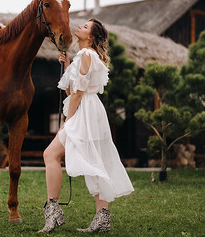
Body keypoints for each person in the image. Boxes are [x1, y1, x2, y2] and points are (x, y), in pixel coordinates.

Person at [38, 18, 134, 233]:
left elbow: (78, 93)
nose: (79, 27)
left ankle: (53, 209)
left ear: (91, 37)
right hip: (92, 111)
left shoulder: (86, 54)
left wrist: (69, 120)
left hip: (83, 111)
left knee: (50, 154)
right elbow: (71, 91)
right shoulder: (86, 56)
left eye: (85, 27)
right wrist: (66, 64)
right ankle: (102, 217)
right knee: (97, 161)